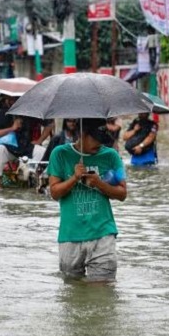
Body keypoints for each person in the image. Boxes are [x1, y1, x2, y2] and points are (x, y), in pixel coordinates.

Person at [47, 118, 126, 282]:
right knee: (73, 291)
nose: (100, 144)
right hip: (70, 236)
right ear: (82, 134)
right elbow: (54, 193)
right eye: (96, 138)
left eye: (102, 139)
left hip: (103, 234)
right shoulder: (60, 154)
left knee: (102, 292)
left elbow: (122, 194)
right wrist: (74, 178)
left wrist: (99, 183)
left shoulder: (111, 156)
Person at [0, 95, 48, 189]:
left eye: (16, 100)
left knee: (42, 151)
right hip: (9, 149)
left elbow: (50, 124)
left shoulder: (30, 113)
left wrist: (39, 140)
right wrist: (12, 128)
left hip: (26, 148)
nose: (13, 102)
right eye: (12, 100)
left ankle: (35, 179)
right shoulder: (1, 113)